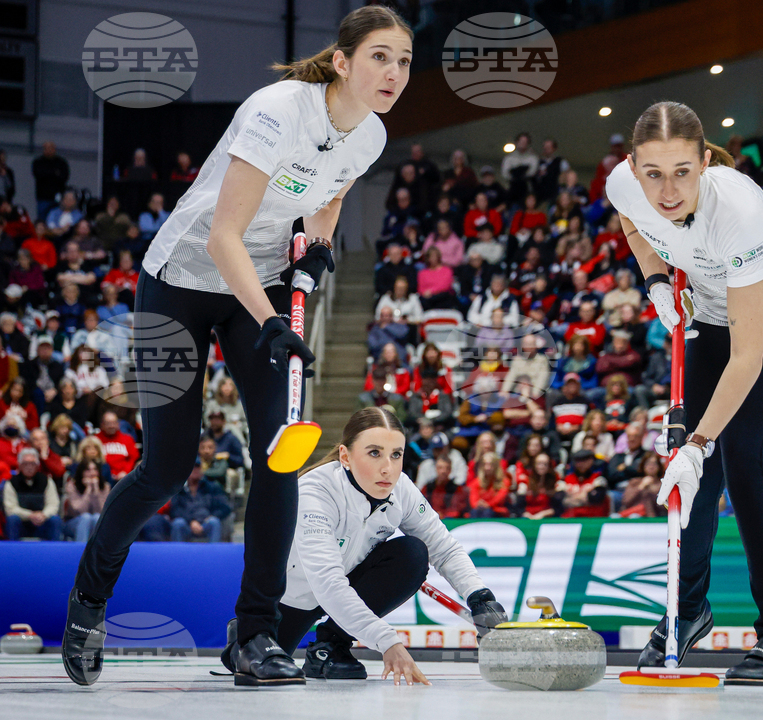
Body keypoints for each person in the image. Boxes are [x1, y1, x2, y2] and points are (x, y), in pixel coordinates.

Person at [61, 6, 413, 689]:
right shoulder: (278, 111)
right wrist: (273, 318)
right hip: (182, 279)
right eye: (379, 57)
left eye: (402, 60)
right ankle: (88, 601)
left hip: (268, 281)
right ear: (342, 62)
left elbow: (327, 201)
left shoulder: (369, 136)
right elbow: (226, 236)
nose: (393, 73)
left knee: (281, 454)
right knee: (165, 467)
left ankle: (253, 636)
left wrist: (312, 253)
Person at [609, 101, 763, 686]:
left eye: (682, 171)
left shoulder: (738, 210)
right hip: (708, 308)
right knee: (694, 471)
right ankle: (685, 612)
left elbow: (748, 357)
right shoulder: (623, 186)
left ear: (705, 161)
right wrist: (657, 282)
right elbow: (634, 225)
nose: (666, 190)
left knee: (738, 453)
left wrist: (700, 439)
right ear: (633, 167)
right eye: (653, 173)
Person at [255, 407, 508, 684]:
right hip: (294, 598)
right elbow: (327, 583)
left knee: (412, 553)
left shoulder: (401, 488)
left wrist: (480, 598)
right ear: (345, 456)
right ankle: (249, 630)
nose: (388, 468)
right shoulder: (315, 492)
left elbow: (444, 548)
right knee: (252, 662)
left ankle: (329, 647)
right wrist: (388, 642)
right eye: (374, 453)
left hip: (348, 583)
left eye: (396, 454)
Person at [3, 447, 61, 540]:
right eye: (25, 464)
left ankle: (54, 551)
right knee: (12, 519)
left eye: (32, 464)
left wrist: (44, 515)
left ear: (38, 465)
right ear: (19, 465)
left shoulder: (46, 481)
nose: (29, 467)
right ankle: (13, 551)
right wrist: (30, 515)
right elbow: (10, 508)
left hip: (42, 523)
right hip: (21, 523)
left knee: (55, 520)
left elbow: (53, 504)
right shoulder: (11, 483)